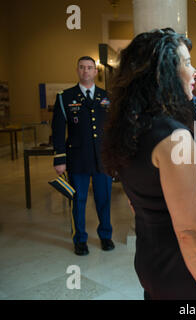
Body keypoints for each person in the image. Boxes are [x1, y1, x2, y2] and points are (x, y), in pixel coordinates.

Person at [102, 29, 196, 300]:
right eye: (187, 62)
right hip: (180, 268)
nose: (195, 72)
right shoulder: (172, 136)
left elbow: (139, 201)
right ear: (164, 72)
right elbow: (189, 232)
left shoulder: (132, 129)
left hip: (151, 256)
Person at [52, 56, 114, 256]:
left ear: (96, 72)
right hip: (77, 159)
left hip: (102, 159)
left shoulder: (106, 97)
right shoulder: (65, 97)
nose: (86, 71)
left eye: (90, 68)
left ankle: (105, 235)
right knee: (78, 200)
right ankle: (80, 239)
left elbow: (112, 129)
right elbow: (59, 130)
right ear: (77, 70)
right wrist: (59, 159)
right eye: (82, 68)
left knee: (103, 199)